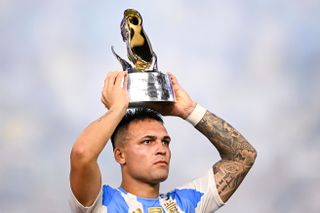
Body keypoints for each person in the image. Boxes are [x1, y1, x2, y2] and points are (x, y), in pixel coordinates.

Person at [69, 71, 257, 213]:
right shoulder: (101, 203)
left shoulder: (187, 202)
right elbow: (82, 154)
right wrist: (118, 108)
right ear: (120, 155)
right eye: (147, 141)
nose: (161, 149)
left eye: (165, 142)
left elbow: (242, 157)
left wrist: (189, 111)